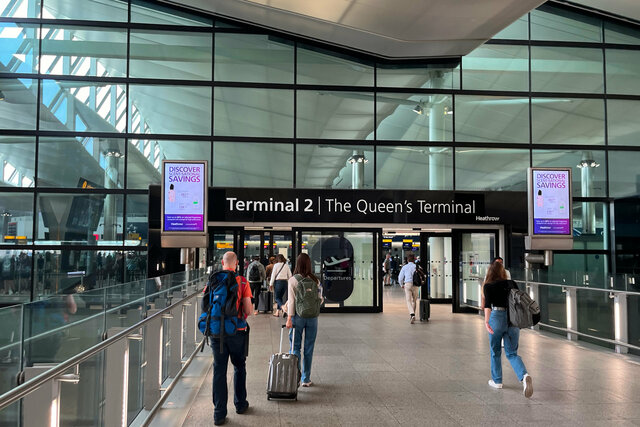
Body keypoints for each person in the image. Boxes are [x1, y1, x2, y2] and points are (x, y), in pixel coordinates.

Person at [203, 251, 253, 426]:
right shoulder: (242, 281)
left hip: (216, 332)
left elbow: (206, 305)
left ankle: (219, 414)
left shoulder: (213, 280)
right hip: (236, 331)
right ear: (237, 263)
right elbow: (248, 310)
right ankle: (240, 404)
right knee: (239, 366)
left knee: (219, 370)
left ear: (222, 263)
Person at [483, 261, 533, 398]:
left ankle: (497, 381)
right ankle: (524, 376)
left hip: (497, 317)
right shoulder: (511, 283)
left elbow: (487, 306)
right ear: (503, 272)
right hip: (513, 318)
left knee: (495, 351)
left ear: (490, 273)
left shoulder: (488, 286)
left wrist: (487, 321)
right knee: (512, 353)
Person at [285, 253, 322, 387]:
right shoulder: (315, 280)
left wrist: (289, 318)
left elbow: (292, 301)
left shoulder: (293, 280)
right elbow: (320, 299)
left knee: (295, 347)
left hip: (297, 317)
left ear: (297, 264)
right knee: (309, 347)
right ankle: (306, 379)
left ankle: (296, 377)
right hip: (312, 317)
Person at [398, 253, 419, 324]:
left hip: (407, 284)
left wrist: (401, 284)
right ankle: (413, 315)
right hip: (415, 285)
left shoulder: (404, 267)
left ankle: (412, 314)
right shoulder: (417, 266)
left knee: (408, 301)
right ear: (414, 259)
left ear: (407, 260)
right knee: (414, 301)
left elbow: (400, 277)